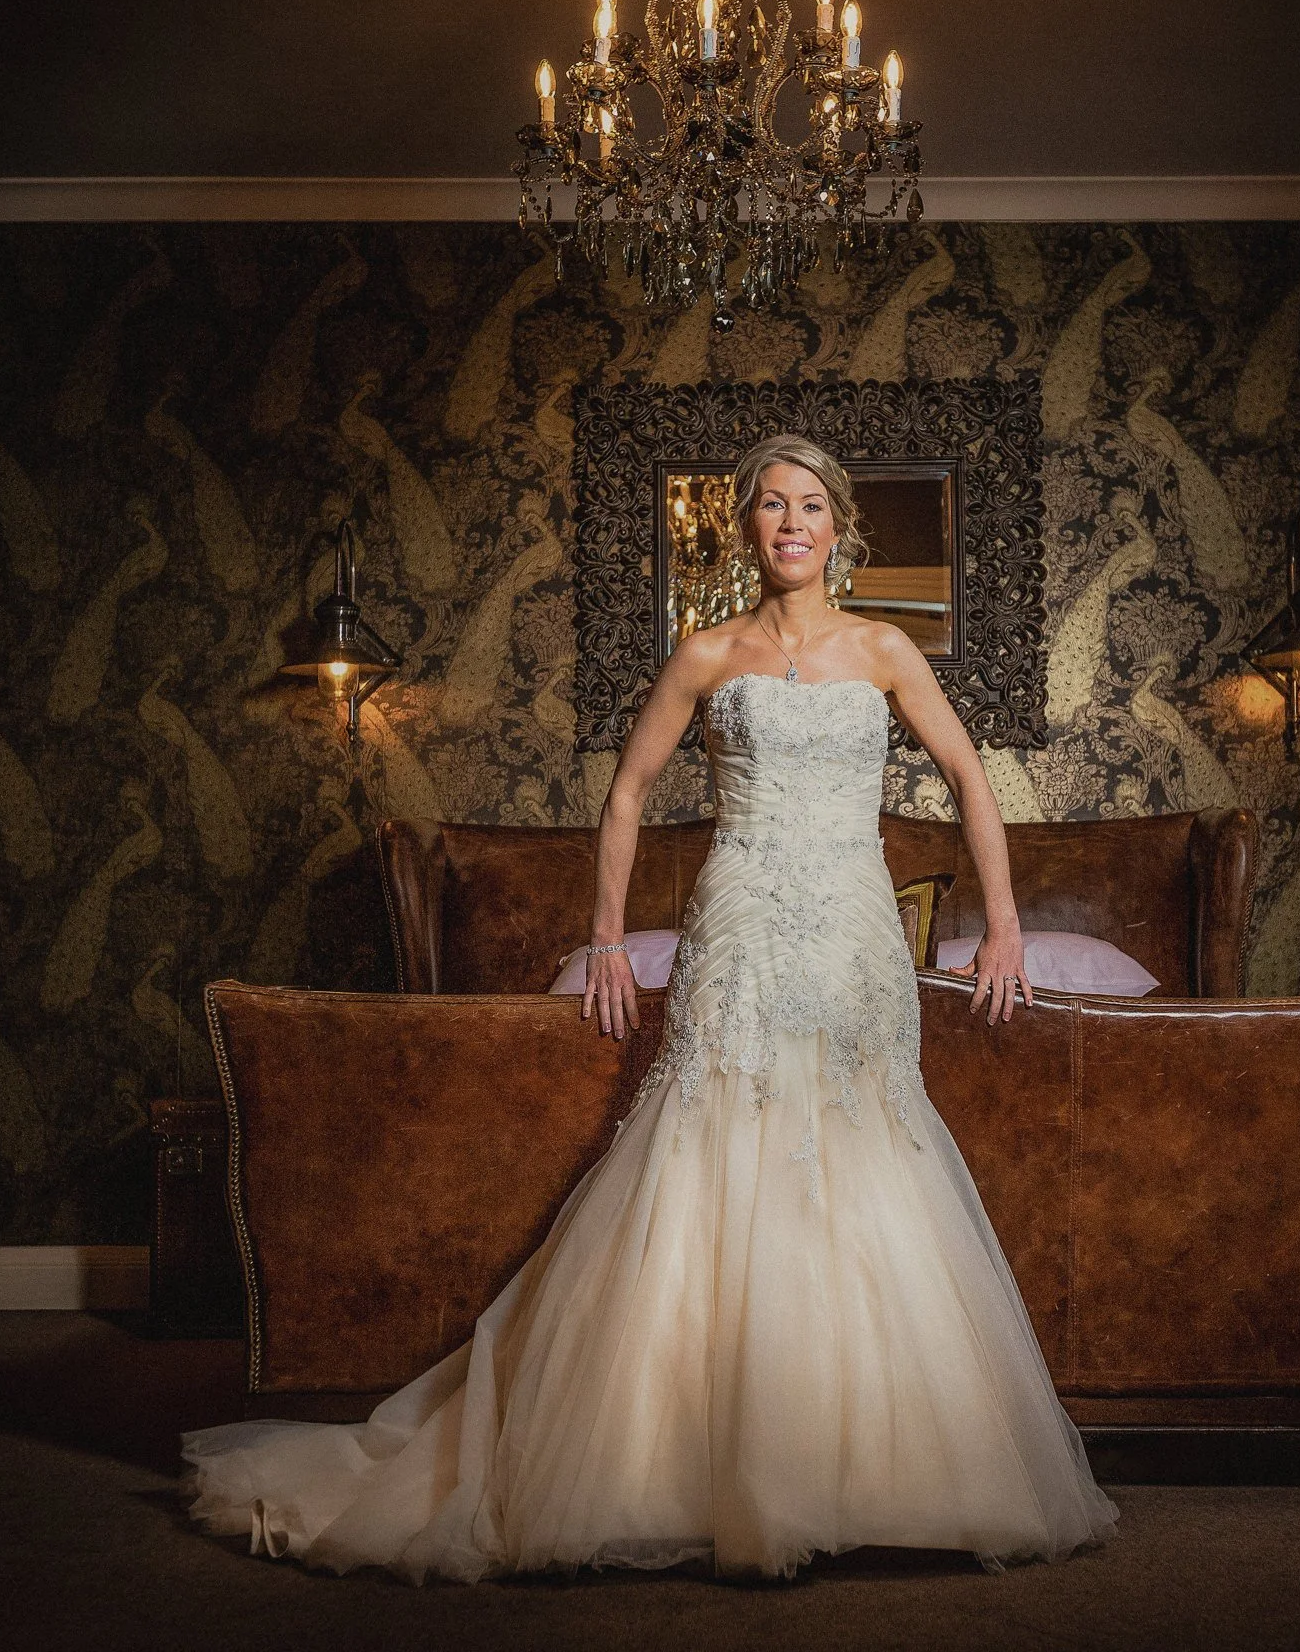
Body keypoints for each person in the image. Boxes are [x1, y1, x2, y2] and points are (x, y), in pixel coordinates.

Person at [184, 434, 1119, 1580]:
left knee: (867, 1138)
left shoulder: (885, 648)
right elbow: (626, 794)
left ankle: (882, 1468)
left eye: (811, 505)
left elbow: (974, 781)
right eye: (771, 505)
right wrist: (608, 939)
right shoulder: (707, 651)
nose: (791, 522)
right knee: (717, 1134)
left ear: (838, 529)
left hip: (855, 934)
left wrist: (1009, 923)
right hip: (741, 919)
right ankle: (688, 1461)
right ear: (747, 529)